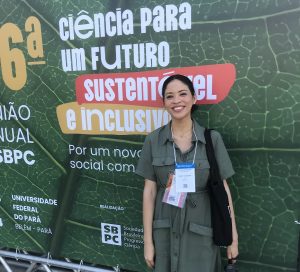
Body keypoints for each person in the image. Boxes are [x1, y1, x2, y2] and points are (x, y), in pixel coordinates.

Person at [135, 74, 238, 271]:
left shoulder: (212, 139)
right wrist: (148, 242)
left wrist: (233, 238)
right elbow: (149, 193)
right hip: (164, 232)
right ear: (164, 103)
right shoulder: (153, 140)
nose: (177, 101)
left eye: (183, 94)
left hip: (202, 233)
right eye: (169, 96)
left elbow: (223, 192)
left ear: (194, 98)